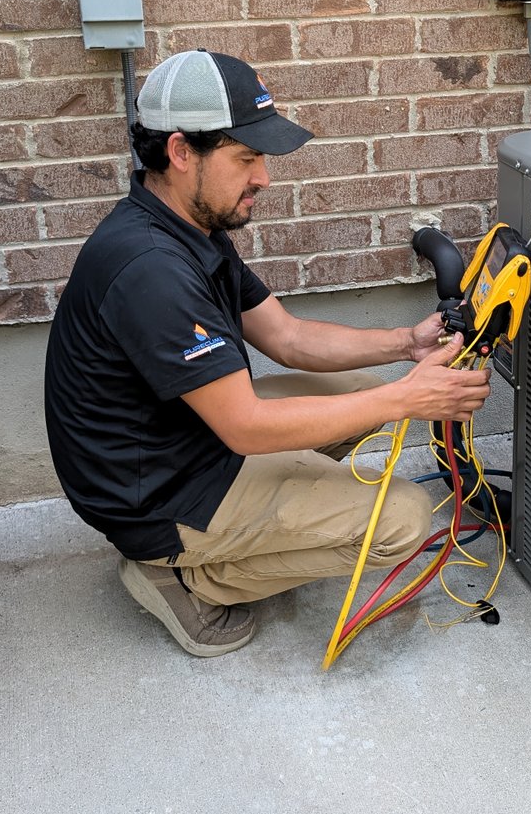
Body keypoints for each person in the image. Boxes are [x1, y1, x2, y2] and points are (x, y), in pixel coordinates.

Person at [44, 49, 490, 657]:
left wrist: (401, 346)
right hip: (156, 496)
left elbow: (286, 336)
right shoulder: (151, 269)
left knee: (359, 394)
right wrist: (407, 399)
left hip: (181, 443)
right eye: (246, 157)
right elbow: (248, 427)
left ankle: (251, 531)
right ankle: (182, 572)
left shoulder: (184, 225)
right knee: (408, 521)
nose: (264, 177)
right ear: (180, 153)